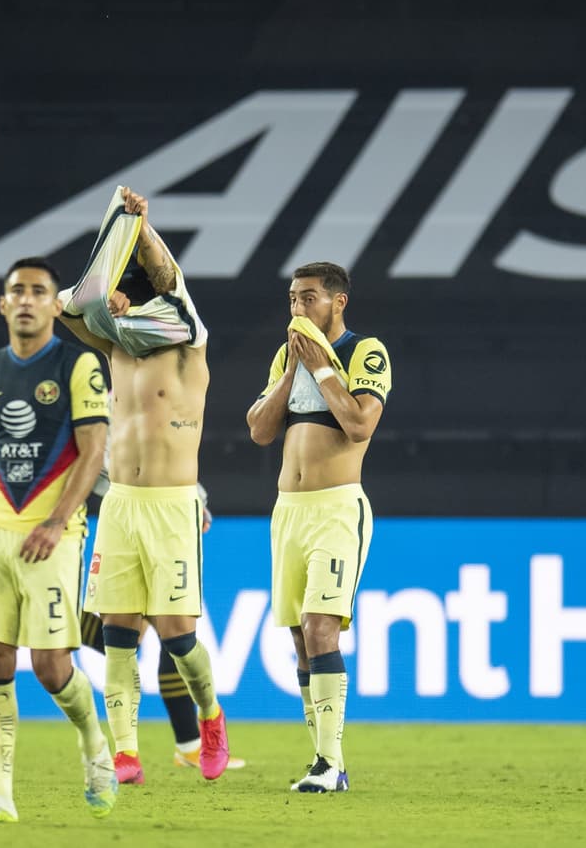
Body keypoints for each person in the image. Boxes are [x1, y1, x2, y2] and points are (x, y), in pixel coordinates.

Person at [57, 186, 229, 784]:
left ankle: (210, 715)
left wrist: (142, 228)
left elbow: (166, 276)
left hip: (171, 504)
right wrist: (104, 266)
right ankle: (125, 751)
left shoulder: (189, 341)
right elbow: (71, 308)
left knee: (180, 639)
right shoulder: (116, 345)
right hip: (120, 506)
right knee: (118, 632)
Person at [0, 257, 117, 823]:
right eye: (16, 291)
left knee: (49, 666)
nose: (25, 299)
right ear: (3, 305)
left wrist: (55, 521)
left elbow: (93, 450)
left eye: (37, 291)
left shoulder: (80, 365)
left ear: (53, 304)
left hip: (54, 534)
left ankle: (95, 743)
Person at [245, 261, 392, 793]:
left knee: (320, 626)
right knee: (300, 640)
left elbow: (358, 424)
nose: (298, 309)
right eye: (292, 299)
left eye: (309, 298)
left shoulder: (365, 351)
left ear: (338, 302)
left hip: (336, 507)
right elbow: (260, 430)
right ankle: (322, 760)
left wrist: (324, 368)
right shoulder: (286, 356)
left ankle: (330, 764)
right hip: (288, 511)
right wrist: (293, 372)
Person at [78, 470, 246, 771]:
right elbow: (93, 449)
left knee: (170, 637)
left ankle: (194, 738)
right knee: (137, 635)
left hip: (164, 506)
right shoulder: (110, 424)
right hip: (126, 509)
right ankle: (180, 746)